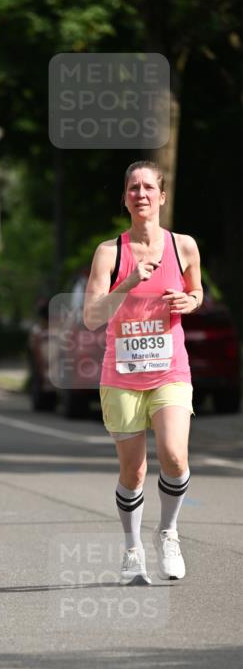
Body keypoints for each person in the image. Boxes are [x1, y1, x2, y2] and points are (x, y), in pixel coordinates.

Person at [83, 161, 202, 584]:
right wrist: (129, 281)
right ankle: (133, 550)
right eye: (133, 187)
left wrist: (191, 302)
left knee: (175, 455)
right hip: (122, 376)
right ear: (125, 198)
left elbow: (196, 291)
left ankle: (168, 532)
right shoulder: (110, 252)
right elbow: (92, 317)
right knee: (133, 472)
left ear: (162, 196)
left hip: (170, 370)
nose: (141, 194)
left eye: (149, 187)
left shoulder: (183, 246)